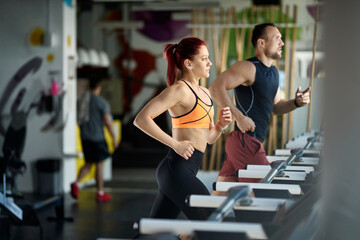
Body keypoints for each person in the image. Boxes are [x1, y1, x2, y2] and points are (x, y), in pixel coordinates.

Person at [133, 37, 232, 220]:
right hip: (176, 169)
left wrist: (220, 126)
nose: (210, 63)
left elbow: (208, 139)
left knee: (153, 232)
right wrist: (175, 144)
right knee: (210, 220)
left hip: (185, 169)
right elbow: (141, 119)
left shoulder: (205, 93)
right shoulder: (179, 90)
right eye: (204, 59)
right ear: (188, 63)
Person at [209, 23, 311, 194]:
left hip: (243, 143)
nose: (282, 43)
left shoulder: (273, 73)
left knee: (219, 197)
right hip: (246, 141)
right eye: (277, 38)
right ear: (261, 43)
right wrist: (239, 117)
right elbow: (215, 88)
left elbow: (276, 107)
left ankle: (201, 218)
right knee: (269, 196)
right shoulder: (248, 67)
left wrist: (296, 103)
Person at [70, 79, 118, 202]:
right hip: (97, 138)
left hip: (84, 137)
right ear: (99, 87)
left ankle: (76, 183)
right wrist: (113, 137)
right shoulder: (102, 102)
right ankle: (100, 192)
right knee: (99, 164)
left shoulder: (81, 100)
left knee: (88, 163)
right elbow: (108, 121)